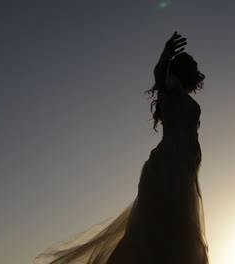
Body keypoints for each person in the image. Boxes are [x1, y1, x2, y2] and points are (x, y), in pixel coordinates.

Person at [34, 31, 210, 264]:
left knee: (178, 236)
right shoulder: (172, 88)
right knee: (158, 236)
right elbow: (160, 76)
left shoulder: (183, 96)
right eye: (192, 66)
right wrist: (165, 55)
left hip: (185, 171)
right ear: (182, 72)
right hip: (167, 167)